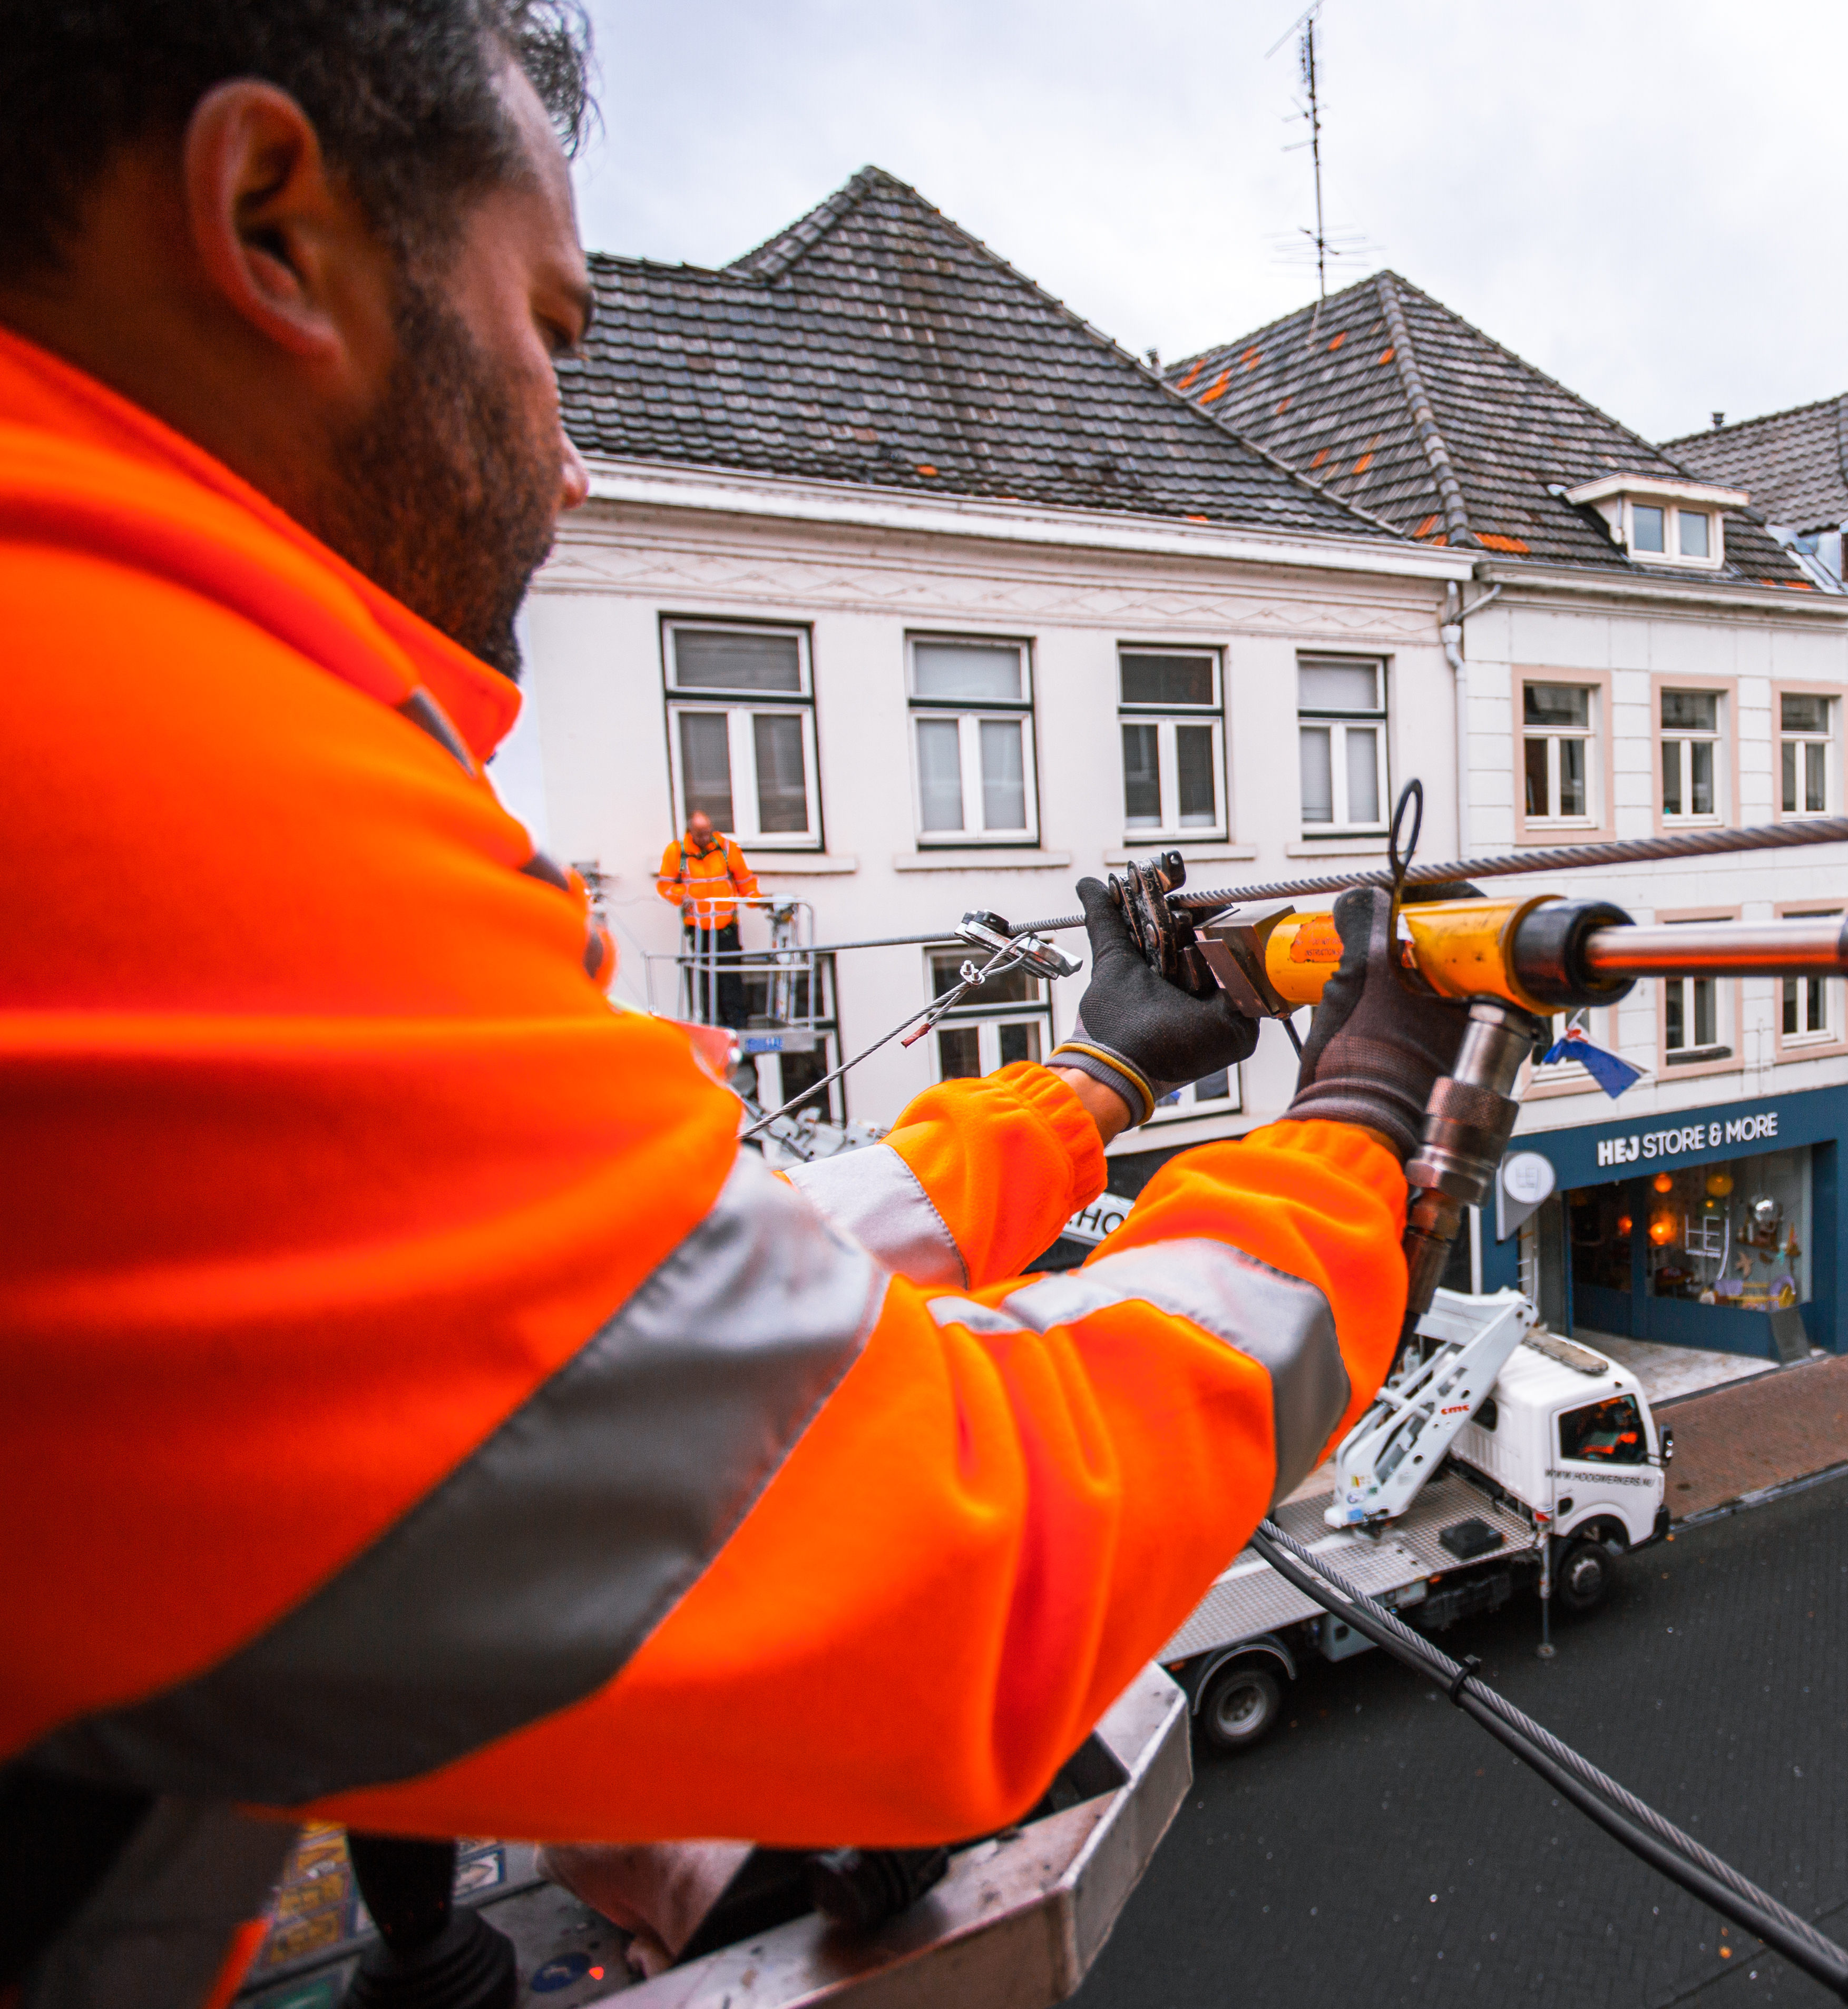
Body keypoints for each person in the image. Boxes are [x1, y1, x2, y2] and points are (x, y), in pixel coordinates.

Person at [0, 3, 1467, 1994]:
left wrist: (1091, 1082)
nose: (571, 459)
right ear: (272, 224)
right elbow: (957, 1551)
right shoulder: (159, 793)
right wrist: (1357, 1126)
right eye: (548, 332)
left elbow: (658, 1295)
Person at [657, 808, 760, 1025]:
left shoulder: (726, 849)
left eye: (707, 833)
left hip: (726, 925)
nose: (705, 838)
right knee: (706, 975)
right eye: (700, 834)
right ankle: (713, 1020)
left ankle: (737, 1021)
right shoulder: (677, 852)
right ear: (691, 832)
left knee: (730, 974)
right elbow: (665, 885)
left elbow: (745, 880)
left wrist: (756, 900)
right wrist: (681, 896)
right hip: (698, 926)